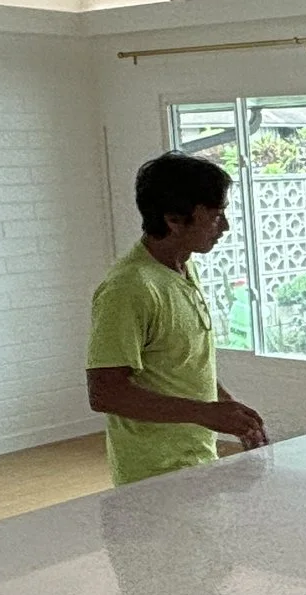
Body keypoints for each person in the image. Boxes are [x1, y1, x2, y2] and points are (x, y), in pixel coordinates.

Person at [86, 152, 269, 485]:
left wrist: (227, 407)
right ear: (174, 219)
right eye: (215, 216)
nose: (224, 227)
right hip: (153, 475)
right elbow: (104, 393)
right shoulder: (128, 288)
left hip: (197, 460)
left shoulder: (182, 270)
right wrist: (205, 413)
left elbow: (181, 364)